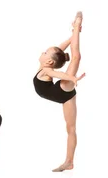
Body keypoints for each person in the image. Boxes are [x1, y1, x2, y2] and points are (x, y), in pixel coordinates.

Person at [32, 11, 85, 172]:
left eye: (45, 52)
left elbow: (58, 73)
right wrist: (73, 36)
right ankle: (69, 162)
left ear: (49, 61)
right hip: (63, 96)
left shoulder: (47, 70)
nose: (43, 52)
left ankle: (69, 161)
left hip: (61, 90)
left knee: (76, 57)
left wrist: (72, 78)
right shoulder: (45, 65)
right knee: (71, 129)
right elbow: (59, 51)